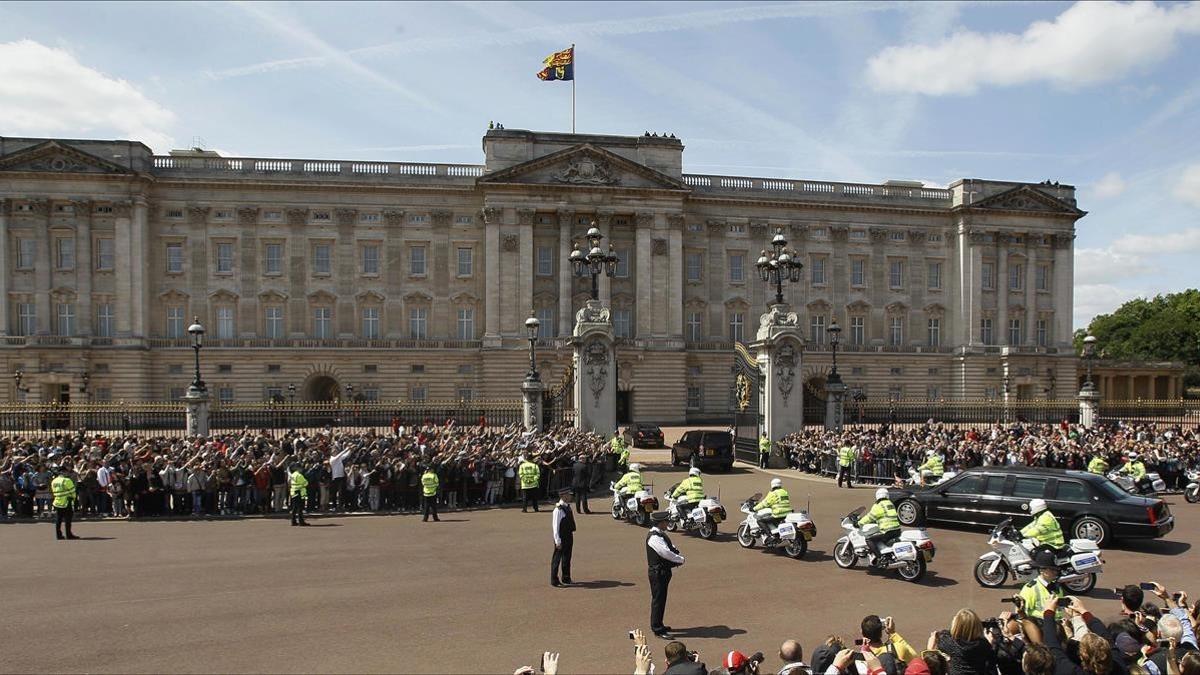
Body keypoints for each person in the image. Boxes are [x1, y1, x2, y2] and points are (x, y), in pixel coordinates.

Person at [647, 512, 685, 638]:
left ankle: (659, 624)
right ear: (660, 523)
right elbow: (665, 553)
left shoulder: (660, 535)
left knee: (661, 599)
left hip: (662, 571)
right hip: (658, 573)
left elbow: (670, 547)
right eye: (666, 522)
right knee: (658, 600)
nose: (668, 524)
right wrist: (680, 559)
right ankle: (657, 628)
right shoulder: (654, 537)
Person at [1018, 550, 1065, 618]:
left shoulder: (1057, 588)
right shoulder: (1030, 588)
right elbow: (1022, 615)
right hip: (1039, 626)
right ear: (1041, 570)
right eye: (1052, 569)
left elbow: (1060, 611)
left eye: (1056, 569)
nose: (1055, 572)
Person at [858, 487, 901, 561]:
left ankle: (879, 558)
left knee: (869, 539)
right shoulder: (890, 503)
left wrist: (859, 523)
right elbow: (885, 515)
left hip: (887, 531)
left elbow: (870, 517)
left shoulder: (879, 505)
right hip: (897, 530)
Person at [550, 488, 575, 587]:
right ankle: (554, 580)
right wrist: (557, 541)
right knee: (557, 559)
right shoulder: (558, 510)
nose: (570, 496)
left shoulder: (567, 507)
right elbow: (555, 527)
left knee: (567, 558)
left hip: (569, 535)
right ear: (563, 496)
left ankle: (566, 578)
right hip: (561, 537)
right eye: (569, 495)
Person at [50, 466, 79, 540]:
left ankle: (58, 535)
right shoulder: (67, 480)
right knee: (68, 520)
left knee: (58, 520)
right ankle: (69, 535)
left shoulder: (54, 481)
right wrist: (73, 498)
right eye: (66, 471)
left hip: (57, 502)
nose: (67, 473)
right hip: (67, 501)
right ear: (63, 472)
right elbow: (73, 491)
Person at [288, 462, 309, 526]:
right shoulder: (299, 475)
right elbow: (305, 483)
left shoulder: (293, 475)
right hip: (299, 491)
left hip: (293, 491)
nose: (301, 469)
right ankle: (301, 521)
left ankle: (293, 521)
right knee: (300, 507)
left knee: (294, 507)